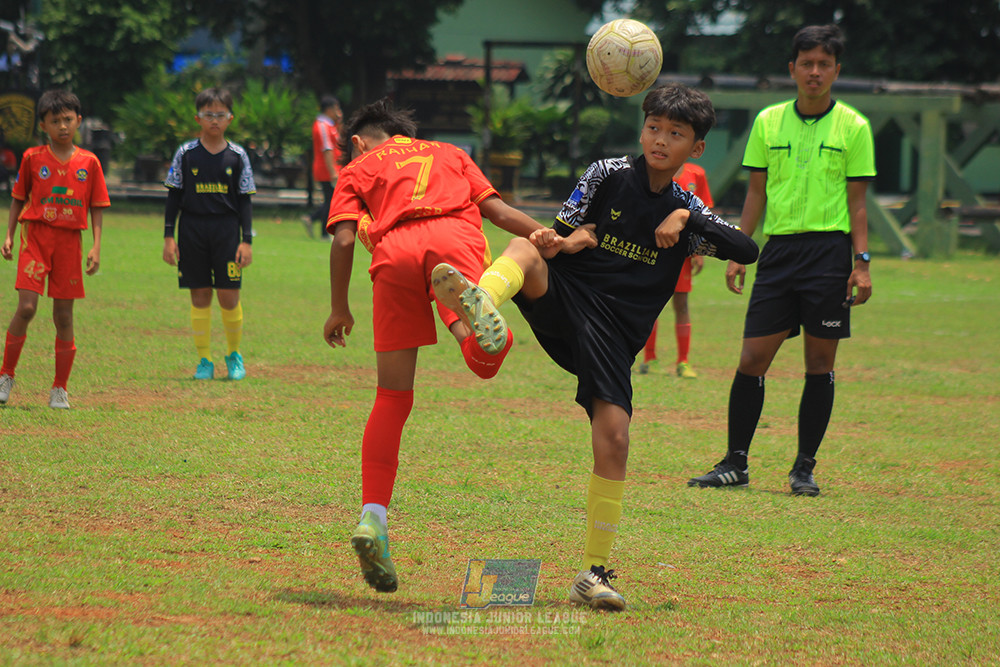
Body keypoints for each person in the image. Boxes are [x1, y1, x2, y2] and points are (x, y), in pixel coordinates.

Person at [432, 83, 759, 611]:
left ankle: (593, 574)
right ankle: (481, 300)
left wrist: (687, 219)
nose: (660, 140)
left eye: (676, 134)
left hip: (613, 338)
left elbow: (748, 246)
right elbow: (558, 237)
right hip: (569, 298)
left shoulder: (687, 205)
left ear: (695, 149)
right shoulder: (606, 173)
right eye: (654, 127)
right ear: (641, 127)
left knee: (616, 439)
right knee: (524, 250)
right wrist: (560, 241)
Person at [322, 98, 549, 594]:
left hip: (391, 254)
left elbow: (342, 241)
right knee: (482, 358)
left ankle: (373, 518)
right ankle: (483, 327)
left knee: (392, 398)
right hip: (451, 237)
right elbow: (498, 211)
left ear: (358, 141)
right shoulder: (448, 152)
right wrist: (544, 235)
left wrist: (339, 308)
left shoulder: (357, 167)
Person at [687, 24, 875, 497]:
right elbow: (755, 194)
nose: (815, 72)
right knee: (752, 358)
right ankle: (736, 463)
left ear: (836, 70)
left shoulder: (853, 127)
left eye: (824, 64)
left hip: (830, 254)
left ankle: (804, 468)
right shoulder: (769, 122)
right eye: (806, 63)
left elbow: (858, 205)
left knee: (819, 360)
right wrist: (737, 249)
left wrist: (863, 261)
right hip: (779, 253)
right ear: (792, 69)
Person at [0, 90, 109, 408]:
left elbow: (97, 206)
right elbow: (18, 198)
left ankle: (59, 388)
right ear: (43, 126)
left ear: (79, 121)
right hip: (35, 237)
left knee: (63, 317)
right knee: (27, 308)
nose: (63, 126)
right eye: (55, 121)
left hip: (69, 243)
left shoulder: (89, 162)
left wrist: (97, 247)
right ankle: (6, 375)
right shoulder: (33, 158)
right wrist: (8, 235)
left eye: (68, 119)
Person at [162, 88, 256, 381]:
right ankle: (204, 359)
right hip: (192, 229)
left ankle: (234, 355)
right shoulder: (186, 154)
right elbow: (174, 196)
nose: (214, 120)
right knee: (199, 294)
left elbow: (244, 200)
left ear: (230, 118)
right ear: (198, 118)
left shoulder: (238, 156)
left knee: (229, 295)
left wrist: (246, 240)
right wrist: (168, 236)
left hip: (226, 231)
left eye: (220, 115)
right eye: (208, 115)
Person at [638, 161, 712, 378]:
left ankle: (683, 361)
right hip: (654, 249)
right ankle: (649, 359)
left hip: (683, 253)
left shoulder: (696, 174)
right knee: (651, 304)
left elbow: (703, 214)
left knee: (681, 304)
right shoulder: (654, 170)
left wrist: (698, 250)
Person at [303, 95, 343, 240]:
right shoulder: (322, 125)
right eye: (336, 108)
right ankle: (323, 231)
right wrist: (333, 171)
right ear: (329, 109)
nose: (338, 111)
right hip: (326, 168)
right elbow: (327, 149)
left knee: (331, 199)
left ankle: (312, 219)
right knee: (330, 199)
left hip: (331, 167)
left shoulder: (330, 125)